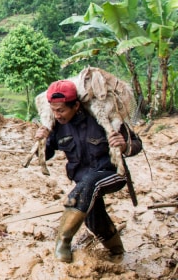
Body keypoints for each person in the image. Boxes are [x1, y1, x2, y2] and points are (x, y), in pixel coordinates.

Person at [35, 79, 142, 263]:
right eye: (53, 110)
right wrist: (41, 141)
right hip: (84, 185)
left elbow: (137, 144)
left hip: (112, 174)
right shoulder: (57, 126)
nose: (57, 115)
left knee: (90, 182)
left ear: (76, 105)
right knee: (94, 220)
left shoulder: (103, 118)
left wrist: (124, 146)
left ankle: (63, 240)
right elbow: (47, 153)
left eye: (61, 110)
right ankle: (118, 253)